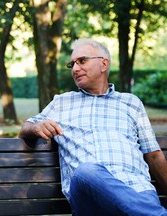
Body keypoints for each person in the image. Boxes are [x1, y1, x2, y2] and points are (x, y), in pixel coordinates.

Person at [19, 38, 167, 216]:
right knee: (86, 171)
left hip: (138, 192)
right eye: (72, 64)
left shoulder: (131, 103)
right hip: (89, 200)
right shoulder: (62, 102)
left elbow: (154, 155)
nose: (75, 69)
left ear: (104, 64)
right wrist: (37, 128)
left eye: (82, 61)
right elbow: (26, 126)